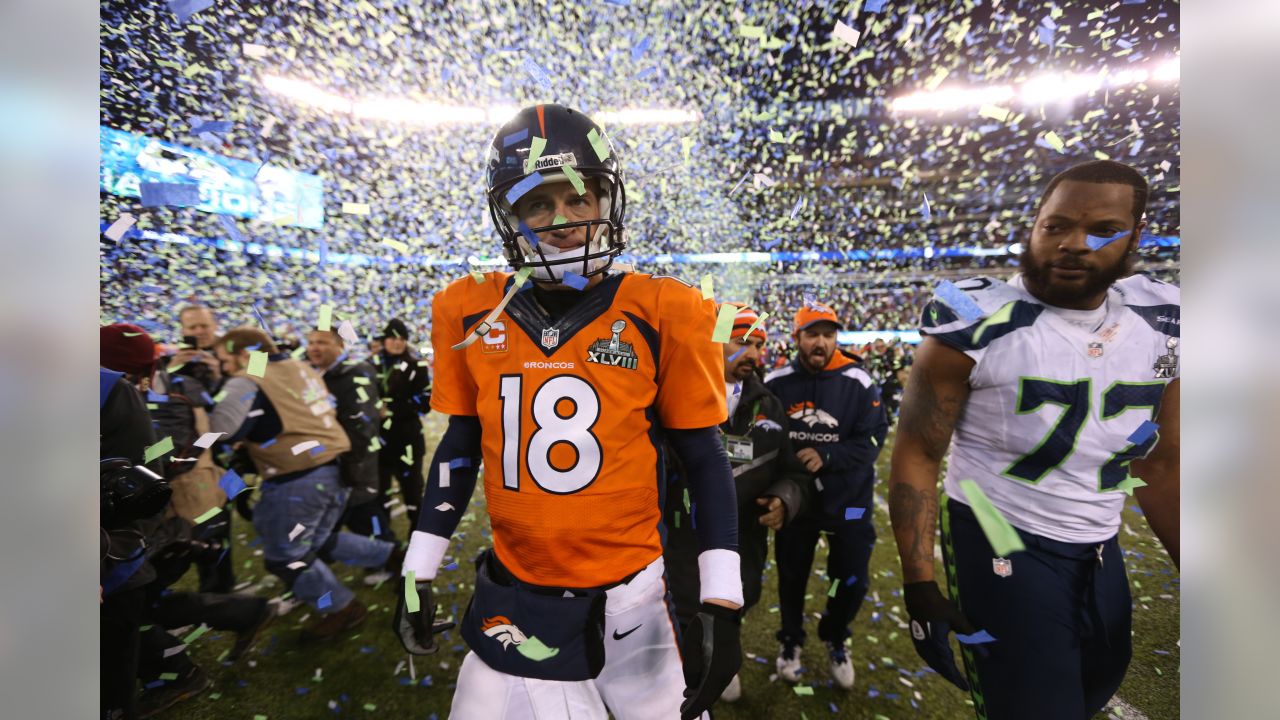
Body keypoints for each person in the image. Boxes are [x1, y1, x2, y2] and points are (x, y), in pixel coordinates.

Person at [393, 104, 743, 720]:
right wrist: (418, 567)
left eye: (579, 198)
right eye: (538, 204)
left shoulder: (666, 308)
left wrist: (722, 597)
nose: (562, 220)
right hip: (517, 593)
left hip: (633, 595)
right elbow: (459, 448)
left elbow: (704, 457)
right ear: (512, 218)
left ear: (608, 202)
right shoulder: (469, 309)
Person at [888, 160, 1180, 720]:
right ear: (1034, 224)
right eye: (1057, 226)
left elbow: (1160, 465)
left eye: (1102, 231)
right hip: (999, 529)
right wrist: (919, 579)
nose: (1074, 243)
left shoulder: (1163, 315)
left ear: (1136, 235)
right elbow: (920, 450)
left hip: (1098, 538)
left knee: (1097, 680)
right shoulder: (973, 313)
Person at [662, 303, 812, 704]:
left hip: (744, 538)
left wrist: (784, 499)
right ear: (713, 341)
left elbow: (793, 472)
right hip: (681, 537)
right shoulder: (674, 396)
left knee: (735, 601)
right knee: (681, 608)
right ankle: (676, 670)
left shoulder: (770, 405)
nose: (752, 354)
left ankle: (717, 659)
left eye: (759, 344)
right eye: (741, 342)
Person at [210, 326, 397, 642]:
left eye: (226, 359)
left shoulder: (250, 377)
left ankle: (341, 608)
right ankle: (393, 555)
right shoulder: (298, 366)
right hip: (334, 467)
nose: (224, 366)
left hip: (298, 476)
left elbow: (222, 432)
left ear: (244, 354)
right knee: (319, 540)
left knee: (286, 554)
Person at [764, 301, 888, 690]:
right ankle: (790, 641)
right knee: (791, 577)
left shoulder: (858, 381)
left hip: (849, 504)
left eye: (828, 334)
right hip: (798, 504)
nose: (821, 342)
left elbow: (872, 439)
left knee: (850, 578)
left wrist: (829, 454)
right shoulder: (777, 382)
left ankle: (836, 636)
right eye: (813, 334)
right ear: (797, 338)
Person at [306, 326, 397, 584]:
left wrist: (352, 466)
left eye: (322, 342)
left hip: (351, 464)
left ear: (340, 346)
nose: (314, 347)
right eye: (311, 342)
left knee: (364, 516)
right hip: (323, 463)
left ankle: (391, 562)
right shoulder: (308, 373)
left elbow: (362, 425)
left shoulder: (357, 372)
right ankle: (315, 575)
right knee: (326, 523)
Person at [372, 318, 431, 531]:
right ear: (384, 340)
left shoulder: (418, 366)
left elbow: (425, 403)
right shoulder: (371, 365)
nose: (397, 343)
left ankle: (417, 542)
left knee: (414, 494)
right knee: (380, 496)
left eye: (401, 339)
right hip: (379, 444)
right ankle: (383, 544)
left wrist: (392, 411)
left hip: (408, 441)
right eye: (392, 338)